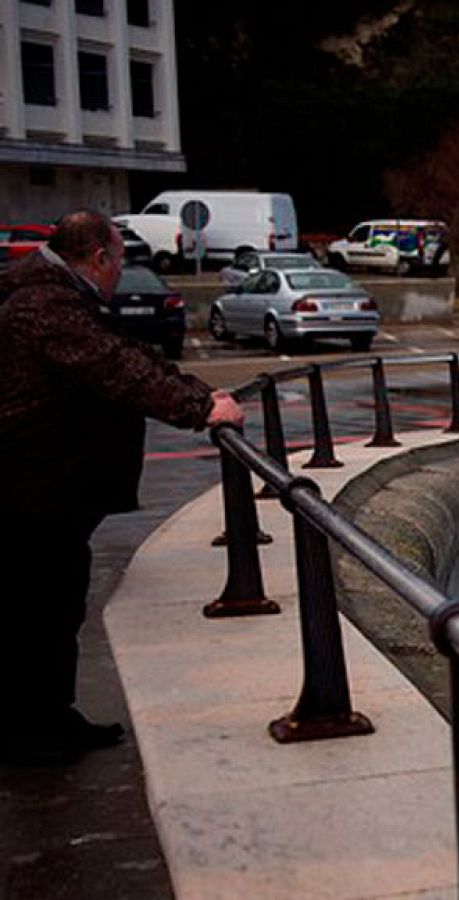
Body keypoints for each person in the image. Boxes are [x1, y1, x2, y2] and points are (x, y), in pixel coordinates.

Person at [0, 210, 244, 766]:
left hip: (37, 486)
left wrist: (197, 390)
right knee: (40, 610)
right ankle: (34, 734)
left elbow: (132, 356)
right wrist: (201, 408)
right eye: (119, 260)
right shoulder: (47, 307)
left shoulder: (52, 293)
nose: (120, 273)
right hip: (31, 488)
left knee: (45, 608)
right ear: (100, 258)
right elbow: (117, 368)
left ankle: (47, 720)